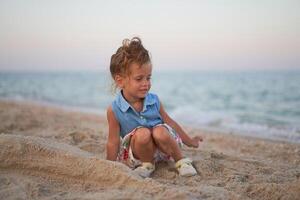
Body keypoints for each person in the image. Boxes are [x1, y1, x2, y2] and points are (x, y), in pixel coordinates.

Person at [106, 37, 203, 178]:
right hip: (140, 153)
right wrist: (109, 165)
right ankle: (147, 165)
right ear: (120, 81)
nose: (146, 83)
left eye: (148, 78)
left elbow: (170, 123)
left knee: (159, 131)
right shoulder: (114, 110)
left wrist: (190, 141)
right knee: (142, 134)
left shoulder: (154, 101)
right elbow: (113, 141)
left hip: (164, 149)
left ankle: (181, 161)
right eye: (139, 79)